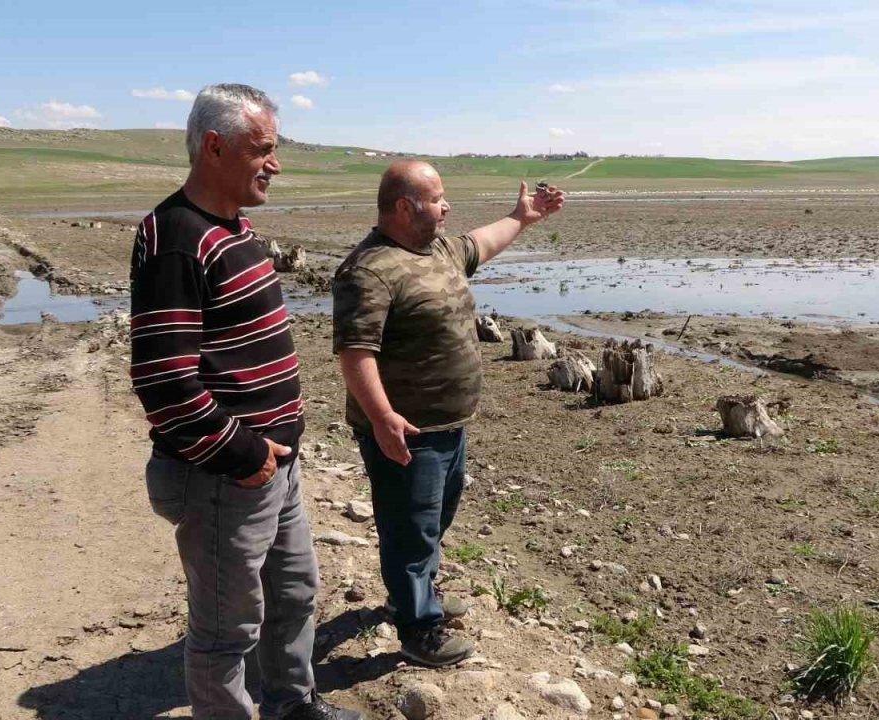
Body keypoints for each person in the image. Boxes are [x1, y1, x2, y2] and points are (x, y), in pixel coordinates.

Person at [130, 83, 362, 720]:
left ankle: (292, 706)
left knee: (292, 596)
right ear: (214, 147)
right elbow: (163, 379)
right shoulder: (177, 235)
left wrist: (273, 455)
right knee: (224, 632)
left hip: (272, 469)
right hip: (223, 475)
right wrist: (244, 453)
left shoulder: (233, 227)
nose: (275, 164)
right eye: (262, 149)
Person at [332, 160, 565, 666]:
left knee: (433, 518)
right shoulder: (368, 269)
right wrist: (382, 418)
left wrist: (522, 218)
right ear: (403, 207)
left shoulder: (435, 249)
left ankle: (415, 594)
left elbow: (480, 241)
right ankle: (419, 629)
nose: (447, 206)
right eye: (437, 198)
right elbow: (355, 353)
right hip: (406, 429)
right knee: (410, 527)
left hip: (447, 424)